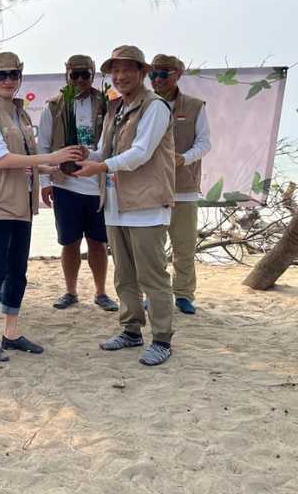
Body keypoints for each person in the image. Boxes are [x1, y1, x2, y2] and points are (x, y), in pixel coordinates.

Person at [0, 51, 84, 362]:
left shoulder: (19, 113)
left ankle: (10, 333)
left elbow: (24, 161)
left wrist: (54, 169)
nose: (8, 80)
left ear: (21, 77)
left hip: (22, 203)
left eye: (14, 75)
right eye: (1, 75)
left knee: (18, 269)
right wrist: (52, 157)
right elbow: (0, 159)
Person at [75, 45, 176, 366]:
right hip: (115, 204)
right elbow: (105, 152)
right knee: (124, 275)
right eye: (115, 71)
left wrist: (101, 167)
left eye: (127, 70)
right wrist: (84, 155)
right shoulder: (116, 109)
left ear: (142, 72)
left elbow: (142, 152)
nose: (120, 76)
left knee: (153, 276)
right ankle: (131, 330)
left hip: (146, 205)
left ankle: (161, 339)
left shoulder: (155, 107)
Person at [38, 55, 118, 311]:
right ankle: (71, 291)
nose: (81, 80)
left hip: (97, 184)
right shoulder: (53, 106)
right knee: (69, 241)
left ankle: (101, 292)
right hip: (65, 184)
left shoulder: (107, 104)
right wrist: (44, 181)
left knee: (98, 241)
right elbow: (43, 146)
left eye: (87, 75)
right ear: (67, 74)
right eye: (76, 75)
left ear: (93, 74)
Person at [150, 54, 211, 315]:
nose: (156, 79)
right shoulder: (142, 104)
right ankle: (153, 294)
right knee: (151, 247)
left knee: (184, 246)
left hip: (183, 187)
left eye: (163, 73)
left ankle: (184, 294)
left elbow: (205, 143)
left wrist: (184, 159)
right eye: (152, 73)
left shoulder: (196, 106)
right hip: (149, 189)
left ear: (178, 74)